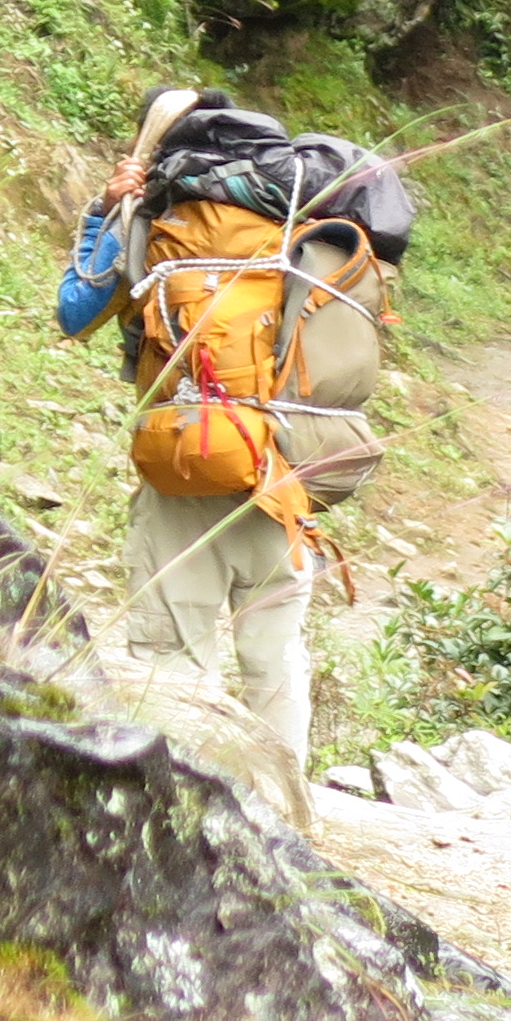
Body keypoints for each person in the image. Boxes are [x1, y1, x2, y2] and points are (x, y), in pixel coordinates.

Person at [58, 87, 316, 769]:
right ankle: (290, 819)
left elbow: (74, 312)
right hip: (276, 469)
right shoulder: (296, 226)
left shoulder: (149, 223)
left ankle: (186, 805)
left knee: (171, 656)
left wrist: (106, 213)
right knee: (275, 660)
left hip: (176, 474)